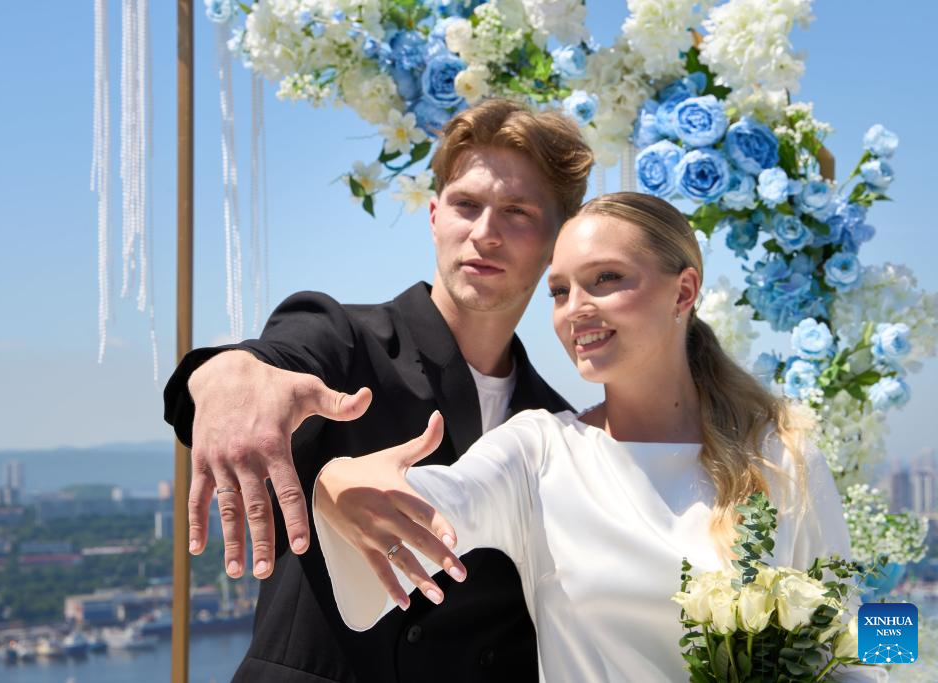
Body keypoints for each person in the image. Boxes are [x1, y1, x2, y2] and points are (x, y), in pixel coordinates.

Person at [313, 192, 887, 683]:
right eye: (559, 291)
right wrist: (337, 481)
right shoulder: (539, 452)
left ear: (684, 291)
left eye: (606, 279)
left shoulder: (783, 451)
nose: (575, 310)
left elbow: (863, 627)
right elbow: (442, 499)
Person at [162, 98, 594, 682]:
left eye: (517, 211)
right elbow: (266, 364)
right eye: (466, 205)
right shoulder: (345, 338)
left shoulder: (560, 427)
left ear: (556, 243)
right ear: (435, 215)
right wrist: (227, 375)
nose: (485, 233)